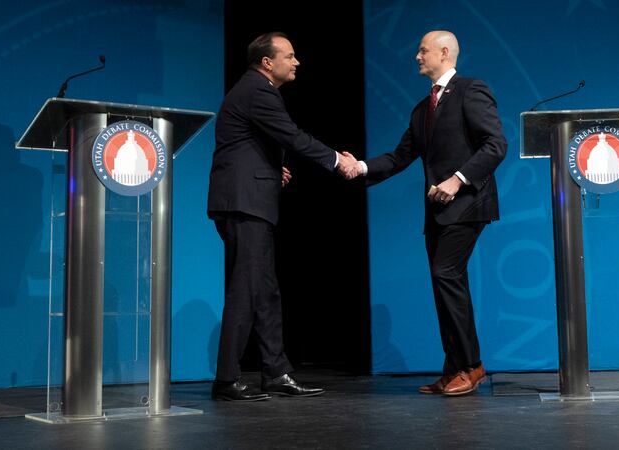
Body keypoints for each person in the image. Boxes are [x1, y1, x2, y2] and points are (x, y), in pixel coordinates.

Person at [346, 30, 507, 396]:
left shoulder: (470, 90)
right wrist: (361, 167)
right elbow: (400, 157)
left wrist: (457, 180)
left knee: (445, 274)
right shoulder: (422, 109)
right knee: (443, 284)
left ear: (445, 52)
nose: (417, 56)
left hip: (467, 203)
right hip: (437, 210)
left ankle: (472, 366)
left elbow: (496, 144)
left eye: (423, 51)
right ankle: (454, 368)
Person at [207, 32, 358, 401]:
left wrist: (275, 170)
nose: (297, 62)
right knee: (246, 290)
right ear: (267, 63)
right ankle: (227, 380)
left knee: (265, 291)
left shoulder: (253, 90)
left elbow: (246, 144)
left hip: (249, 199)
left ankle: (275, 372)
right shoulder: (258, 90)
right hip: (244, 203)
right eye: (290, 56)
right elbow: (291, 135)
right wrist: (337, 161)